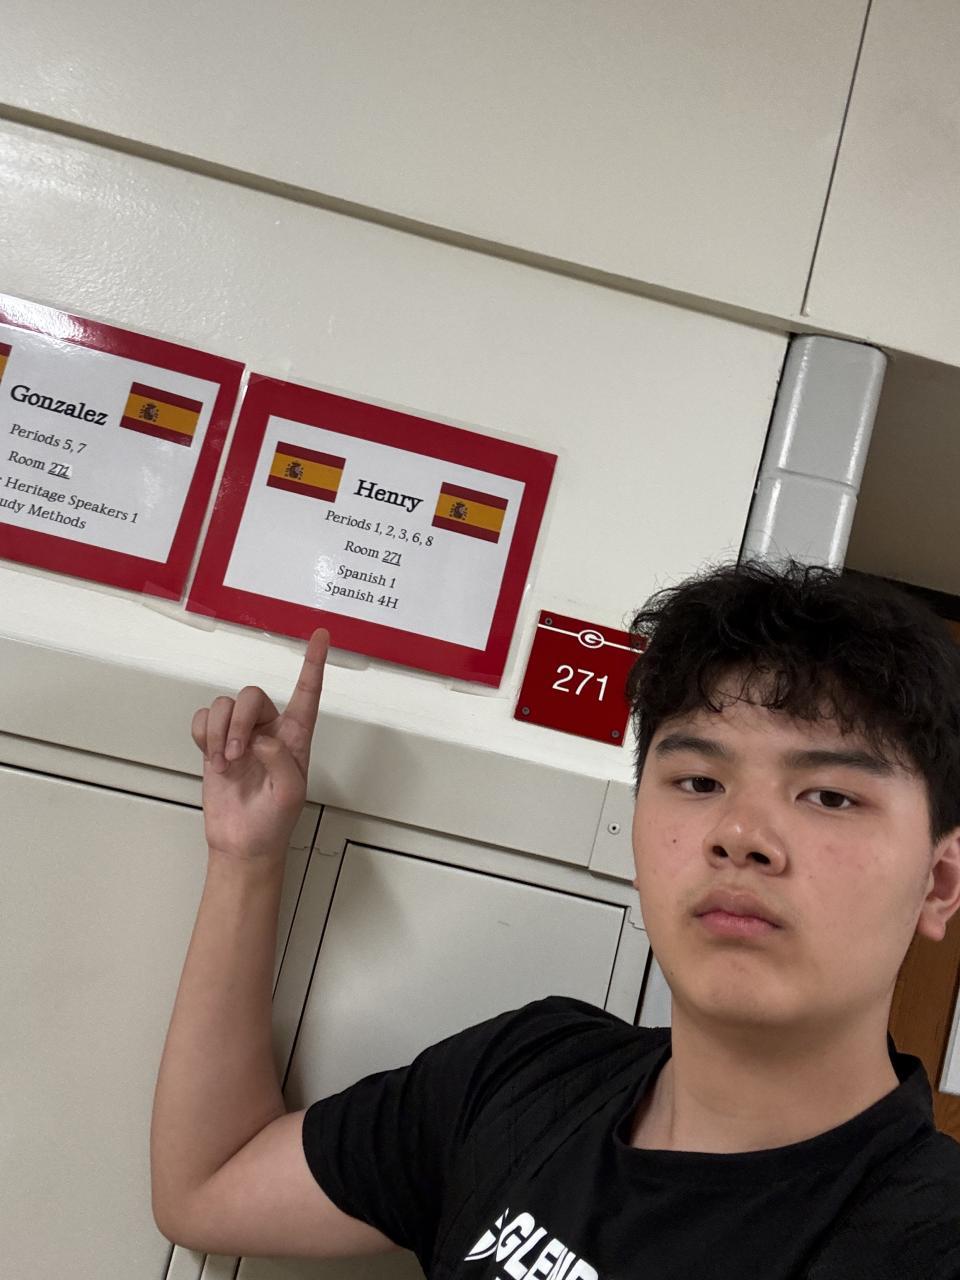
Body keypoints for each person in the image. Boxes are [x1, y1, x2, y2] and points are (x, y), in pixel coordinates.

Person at [151, 558, 960, 1278]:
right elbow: (206, 1190)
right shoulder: (529, 1072)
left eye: (830, 796)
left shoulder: (926, 1238)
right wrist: (246, 857)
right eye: (699, 782)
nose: (740, 835)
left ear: (940, 882)